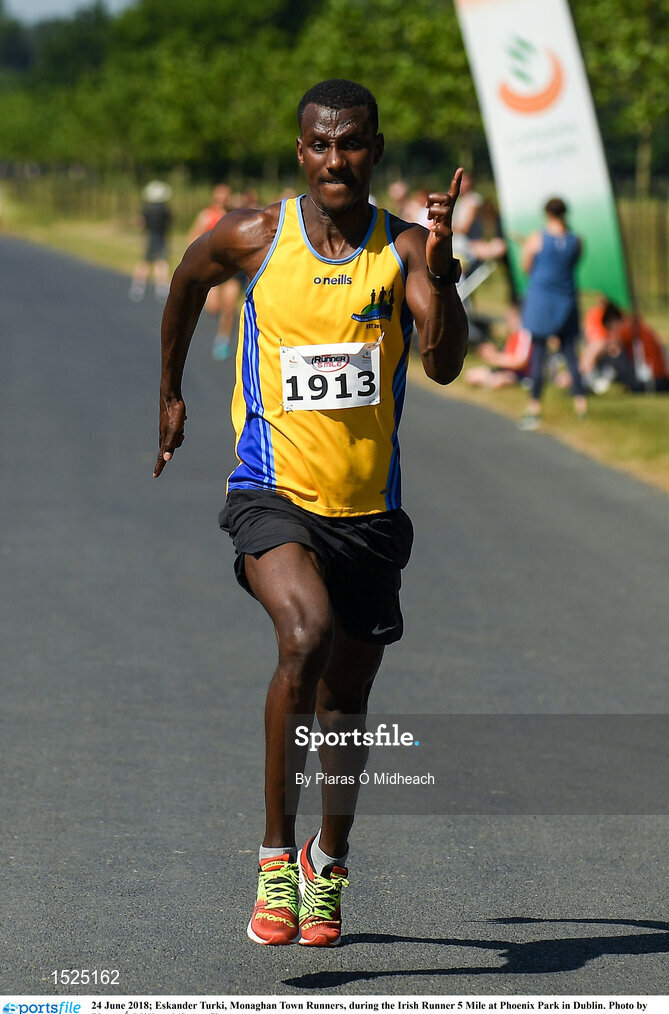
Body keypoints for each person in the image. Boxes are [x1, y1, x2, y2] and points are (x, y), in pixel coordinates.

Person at [154, 79, 468, 947]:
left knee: (346, 700)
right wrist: (172, 391)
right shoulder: (256, 237)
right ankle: (272, 857)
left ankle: (327, 865)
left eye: (355, 143)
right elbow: (185, 279)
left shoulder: (403, 248)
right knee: (303, 636)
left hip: (369, 513)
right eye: (322, 144)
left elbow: (441, 363)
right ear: (302, 152)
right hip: (271, 493)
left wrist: (442, 268)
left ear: (375, 148)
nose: (338, 159)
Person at [518, 197, 587, 430]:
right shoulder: (576, 240)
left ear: (547, 213)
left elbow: (526, 266)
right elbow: (574, 263)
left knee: (538, 354)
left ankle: (535, 404)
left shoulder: (537, 238)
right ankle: (580, 403)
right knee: (570, 354)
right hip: (566, 300)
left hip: (541, 301)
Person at [188, 184, 243, 360]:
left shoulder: (237, 215)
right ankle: (222, 330)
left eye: (225, 196)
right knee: (212, 307)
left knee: (229, 306)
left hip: (232, 270)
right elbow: (193, 237)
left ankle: (223, 339)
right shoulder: (206, 215)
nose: (222, 200)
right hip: (213, 269)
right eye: (219, 196)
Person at [582, 299, 669, 393]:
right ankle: (588, 380)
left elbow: (606, 346)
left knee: (613, 354)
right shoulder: (633, 325)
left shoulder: (626, 327)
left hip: (651, 379)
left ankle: (587, 382)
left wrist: (584, 365)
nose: (610, 332)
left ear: (613, 321)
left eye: (610, 327)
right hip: (656, 376)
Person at [129, 180, 173, 302]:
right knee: (162, 262)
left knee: (145, 262)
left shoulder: (147, 209)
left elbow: (140, 223)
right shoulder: (165, 209)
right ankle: (162, 288)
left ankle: (138, 286)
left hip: (151, 237)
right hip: (162, 238)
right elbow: (169, 223)